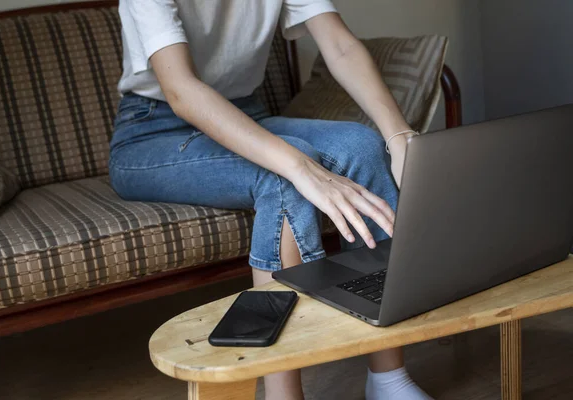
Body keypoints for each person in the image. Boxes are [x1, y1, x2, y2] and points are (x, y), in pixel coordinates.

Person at [110, 1, 431, 399]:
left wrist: (398, 135)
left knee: (363, 146)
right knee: (283, 174)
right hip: (153, 131)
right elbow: (182, 91)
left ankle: (388, 379)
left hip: (246, 112)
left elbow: (339, 45)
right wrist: (299, 166)